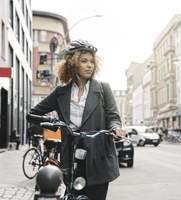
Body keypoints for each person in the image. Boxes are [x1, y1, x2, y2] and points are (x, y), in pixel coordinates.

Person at [27, 39, 126, 200]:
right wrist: (54, 124)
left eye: (92, 61)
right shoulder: (61, 92)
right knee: (72, 194)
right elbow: (32, 114)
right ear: (72, 64)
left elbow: (113, 117)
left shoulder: (103, 88)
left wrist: (116, 128)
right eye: (84, 61)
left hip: (97, 156)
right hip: (71, 153)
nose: (90, 65)